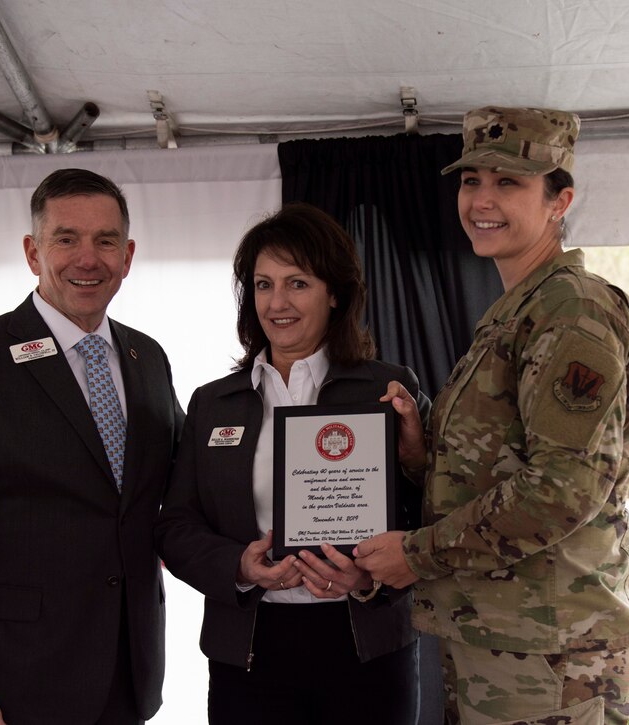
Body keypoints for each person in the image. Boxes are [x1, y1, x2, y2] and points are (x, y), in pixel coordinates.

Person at [354, 107, 629, 725]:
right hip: (512, 638)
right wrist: (418, 454)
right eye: (471, 181)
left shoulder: (572, 312)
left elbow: (563, 490)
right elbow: (505, 468)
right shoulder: (519, 311)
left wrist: (417, 553)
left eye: (508, 182)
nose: (481, 200)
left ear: (558, 200)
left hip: (554, 655)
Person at [0, 168, 184, 725]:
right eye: (66, 238)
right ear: (33, 252)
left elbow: (186, 480)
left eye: (105, 241)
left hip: (129, 676)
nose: (88, 258)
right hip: (11, 685)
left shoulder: (147, 359)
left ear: (127, 257)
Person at [154, 203, 429, 725]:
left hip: (367, 648)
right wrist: (239, 566)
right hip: (250, 652)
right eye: (262, 284)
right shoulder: (214, 403)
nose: (277, 302)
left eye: (297, 283)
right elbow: (175, 527)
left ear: (335, 292)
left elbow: (436, 515)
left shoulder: (389, 389)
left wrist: (370, 579)